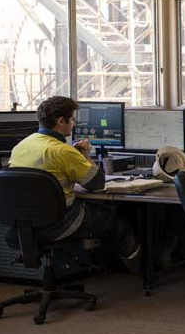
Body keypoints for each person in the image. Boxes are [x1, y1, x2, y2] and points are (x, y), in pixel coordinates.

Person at [8, 96, 141, 273]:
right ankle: (141, 272)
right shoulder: (63, 151)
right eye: (72, 119)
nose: (74, 123)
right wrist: (85, 155)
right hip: (61, 222)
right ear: (61, 121)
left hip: (26, 224)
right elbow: (97, 184)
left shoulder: (21, 146)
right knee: (116, 224)